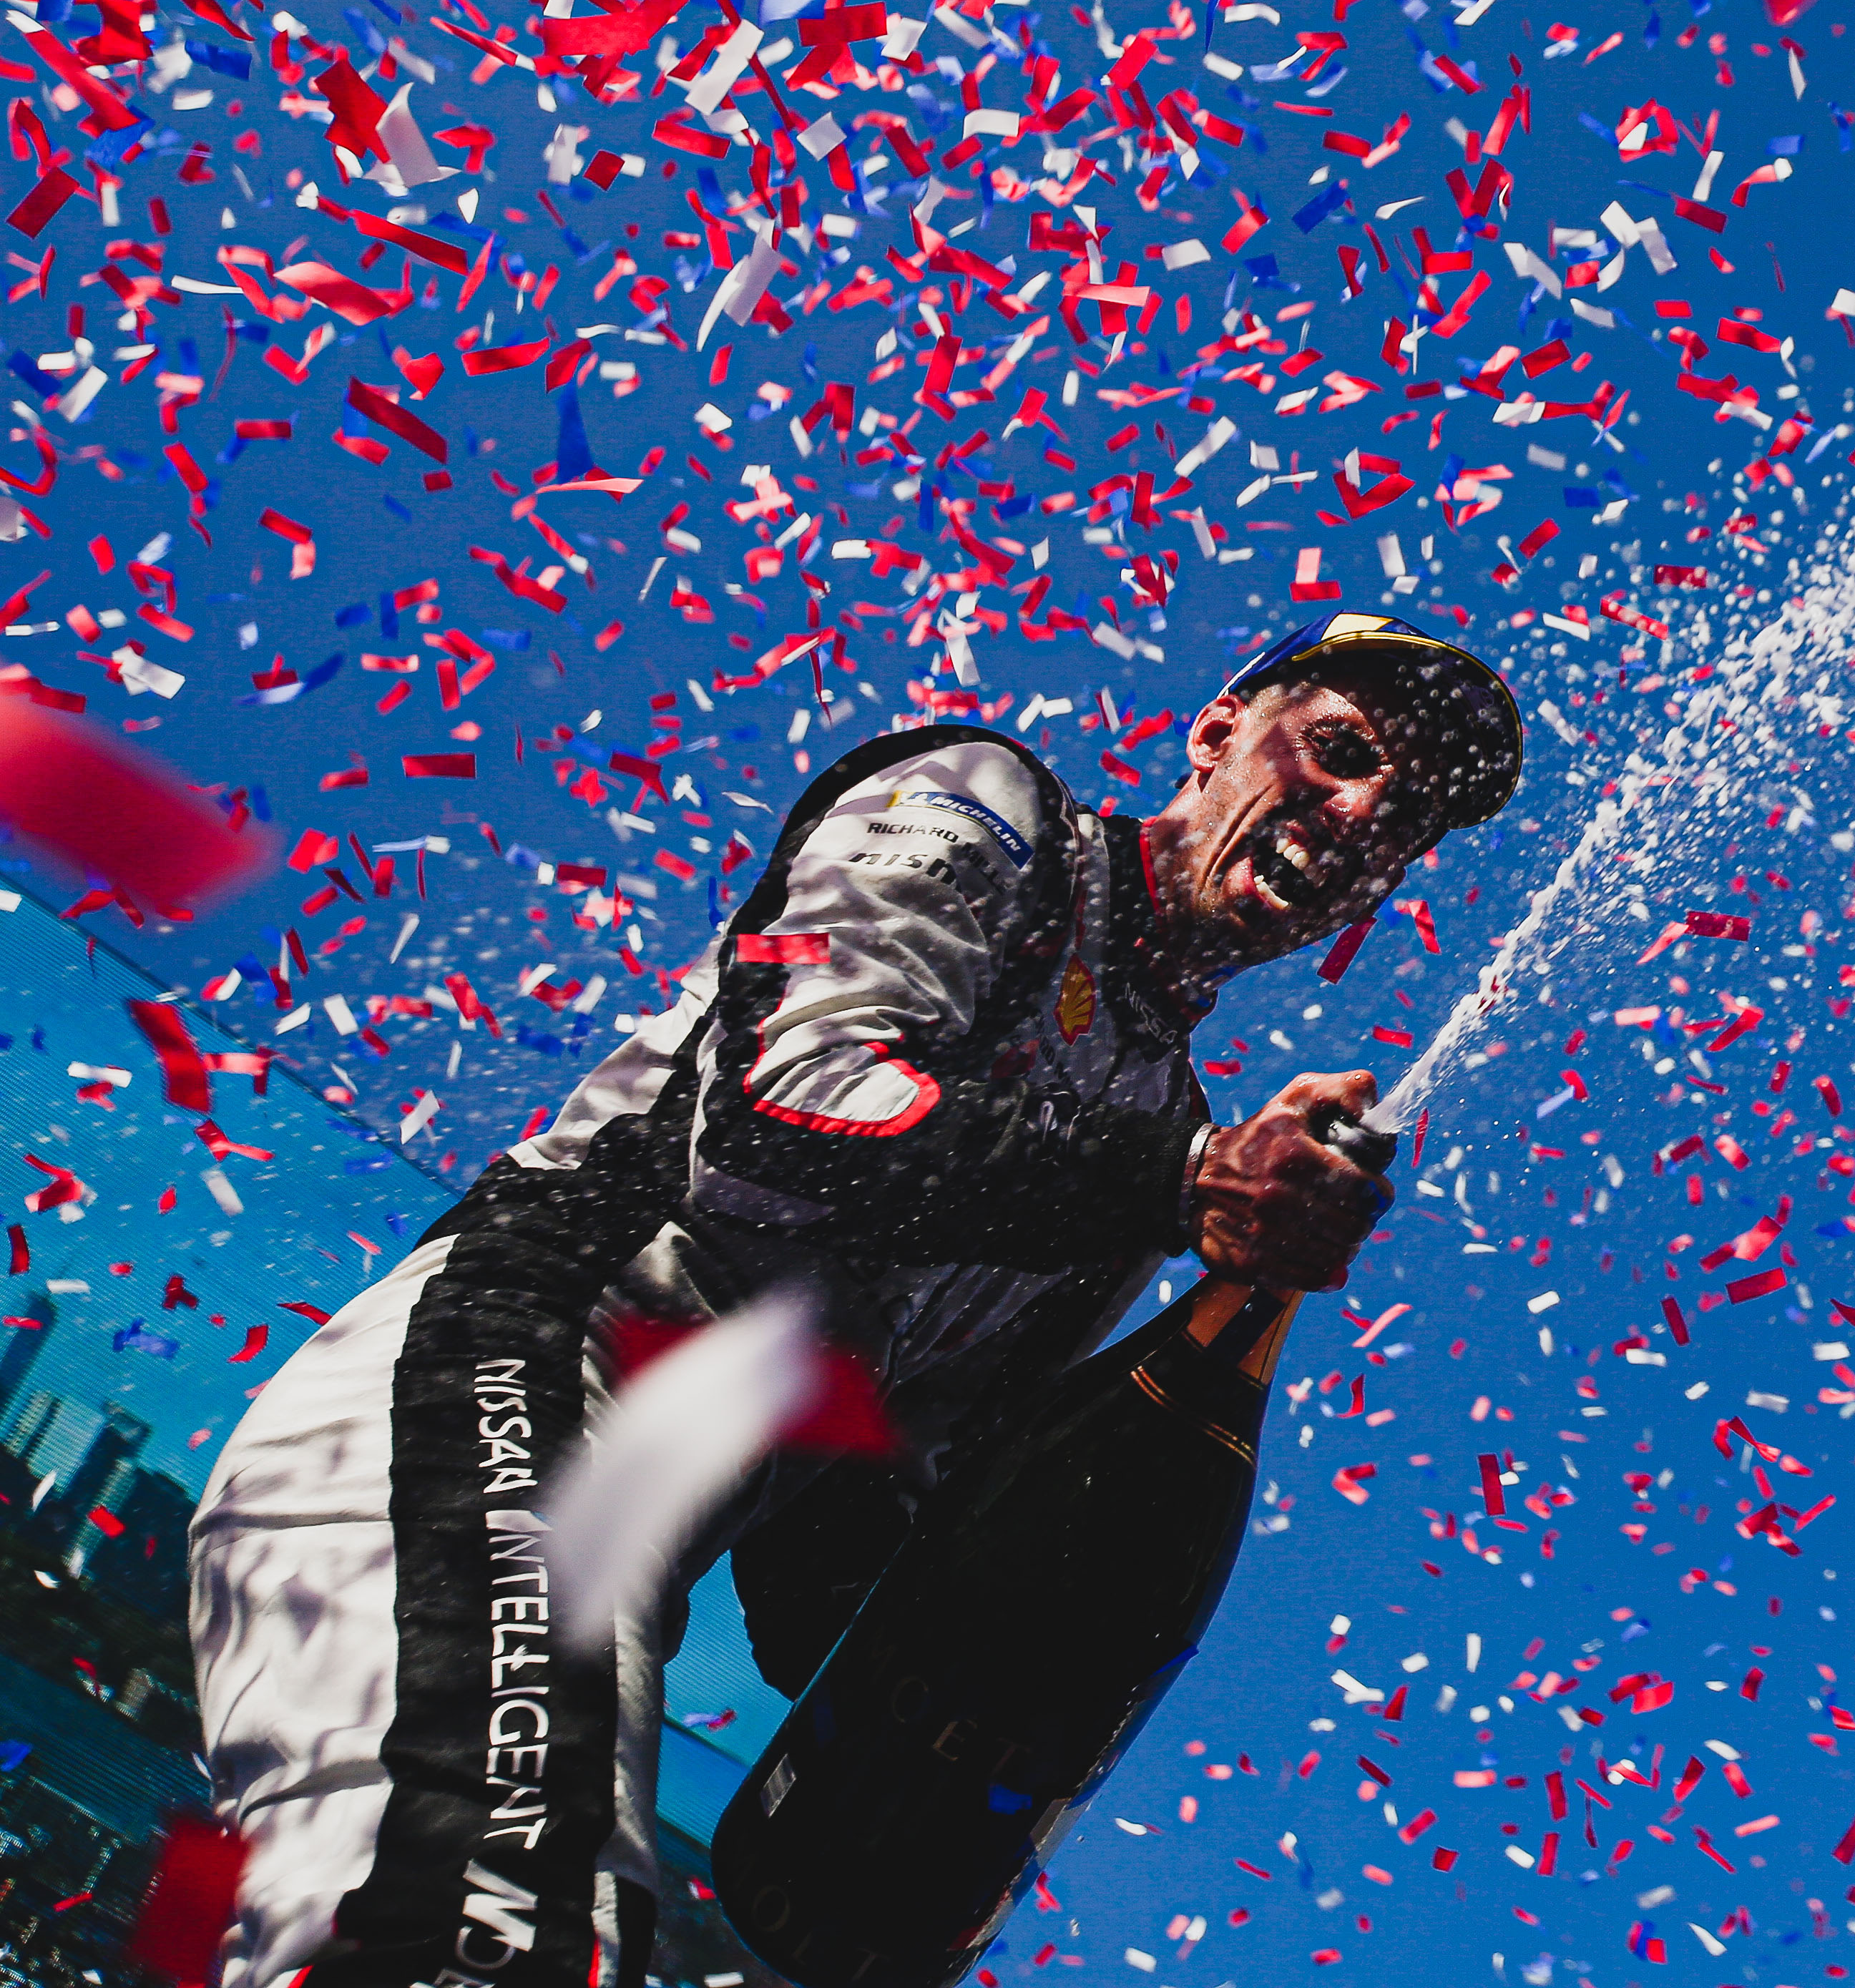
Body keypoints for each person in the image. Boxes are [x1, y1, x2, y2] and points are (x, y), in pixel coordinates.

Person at [185, 612, 1522, 1987]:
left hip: (610, 1576)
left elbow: (843, 1532)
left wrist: (964, 1761)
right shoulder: (987, 815)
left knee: (549, 1938)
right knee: (481, 1916)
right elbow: (782, 1101)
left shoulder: (1157, 1119)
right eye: (1345, 749)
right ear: (1217, 733)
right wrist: (1185, 1183)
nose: (1363, 808)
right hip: (488, 1401)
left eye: (1406, 816)